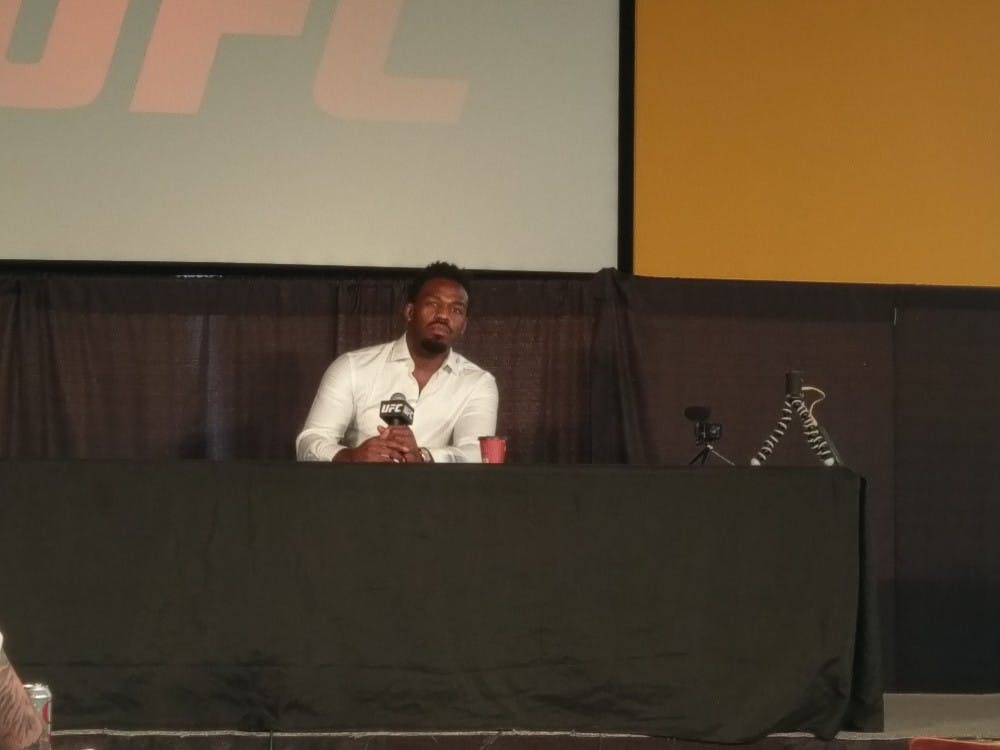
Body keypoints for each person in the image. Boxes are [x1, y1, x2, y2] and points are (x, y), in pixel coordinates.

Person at [296, 262, 498, 463]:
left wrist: (424, 456)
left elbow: (478, 452)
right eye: (433, 304)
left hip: (434, 493)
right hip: (358, 490)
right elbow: (310, 441)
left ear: (464, 326)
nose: (443, 316)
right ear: (410, 312)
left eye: (456, 310)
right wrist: (351, 456)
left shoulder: (477, 382)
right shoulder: (352, 368)